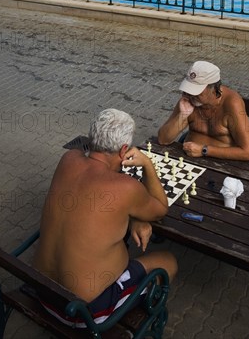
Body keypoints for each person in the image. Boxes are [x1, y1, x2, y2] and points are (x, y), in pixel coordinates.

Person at [33, 108, 177, 327]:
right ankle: (137, 316)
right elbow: (160, 208)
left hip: (43, 291)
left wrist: (135, 217)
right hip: (82, 313)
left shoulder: (68, 158)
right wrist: (147, 164)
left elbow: (96, 196)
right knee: (168, 261)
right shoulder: (127, 188)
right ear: (124, 150)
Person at [158, 61, 249, 161]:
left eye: (196, 90)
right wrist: (182, 116)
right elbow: (163, 139)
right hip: (188, 158)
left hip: (222, 163)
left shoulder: (232, 103)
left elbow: (247, 152)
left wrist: (204, 150)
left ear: (214, 88)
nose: (190, 94)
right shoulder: (189, 98)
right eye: (189, 88)